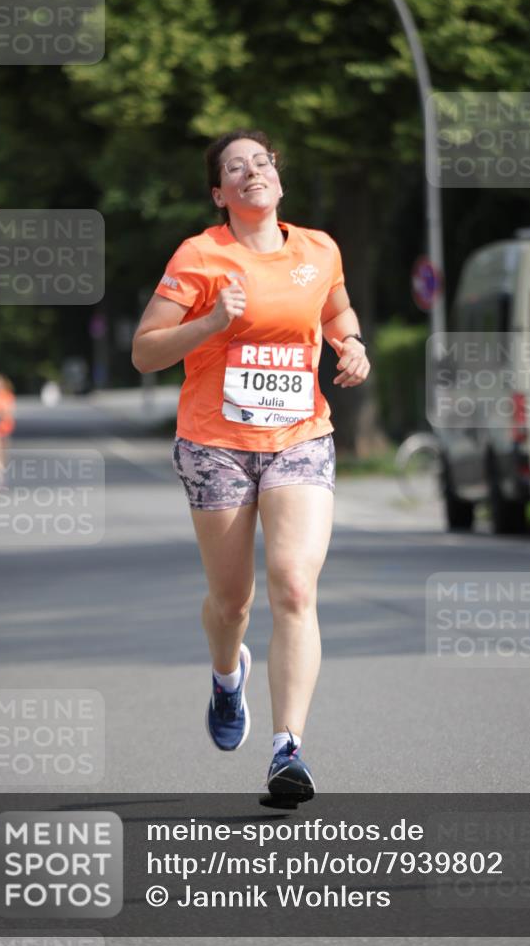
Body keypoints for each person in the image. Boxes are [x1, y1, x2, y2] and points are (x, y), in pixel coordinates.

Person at [132, 129, 370, 808]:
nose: (250, 173)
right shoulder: (200, 255)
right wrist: (209, 323)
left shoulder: (318, 248)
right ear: (219, 193)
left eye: (260, 162)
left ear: (278, 181)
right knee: (232, 602)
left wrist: (349, 345)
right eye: (233, 168)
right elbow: (145, 352)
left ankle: (286, 748)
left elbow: (335, 309)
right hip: (216, 444)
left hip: (300, 435)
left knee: (294, 587)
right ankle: (223, 674)